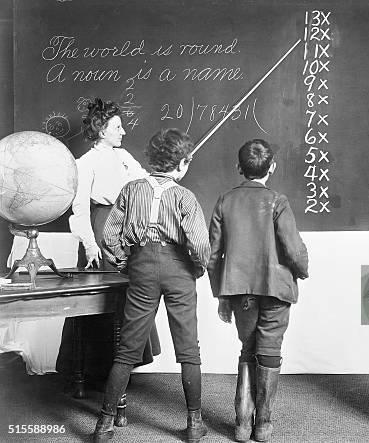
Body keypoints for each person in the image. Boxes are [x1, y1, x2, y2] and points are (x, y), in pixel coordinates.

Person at [92, 128, 210, 442]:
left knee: (127, 348)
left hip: (141, 266)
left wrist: (124, 263)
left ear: (151, 159)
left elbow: (109, 236)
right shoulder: (185, 196)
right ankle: (195, 425)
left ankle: (104, 424)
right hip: (178, 270)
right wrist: (195, 269)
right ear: (183, 164)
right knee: (188, 349)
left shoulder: (131, 189)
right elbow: (200, 246)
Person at [207, 139, 308, 442]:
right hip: (275, 289)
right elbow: (293, 249)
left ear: (239, 168)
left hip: (240, 292)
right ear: (272, 168)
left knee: (247, 348)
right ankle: (262, 423)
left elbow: (212, 255)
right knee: (269, 350)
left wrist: (222, 294)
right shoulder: (278, 201)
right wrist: (303, 271)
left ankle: (241, 422)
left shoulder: (225, 201)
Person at [57, 98, 160, 382]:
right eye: (117, 127)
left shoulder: (125, 156)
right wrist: (90, 245)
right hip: (102, 231)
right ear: (102, 130)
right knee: (99, 300)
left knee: (129, 295)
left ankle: (122, 367)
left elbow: (146, 182)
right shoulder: (85, 163)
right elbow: (79, 210)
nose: (123, 131)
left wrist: (165, 175)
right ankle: (94, 370)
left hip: (127, 230)